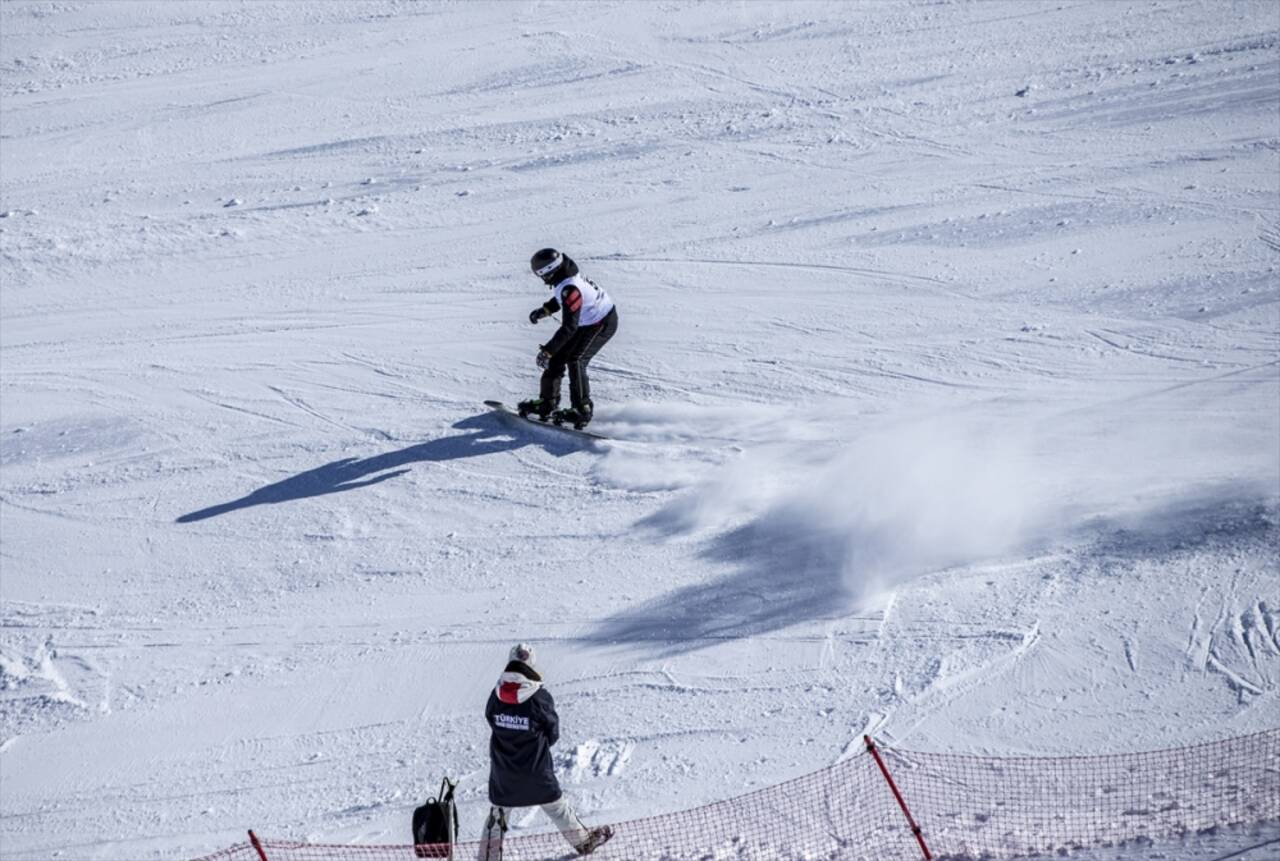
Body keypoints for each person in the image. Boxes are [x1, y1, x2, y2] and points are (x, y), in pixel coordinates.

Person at [480, 643, 612, 858]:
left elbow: (491, 720)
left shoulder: (496, 696)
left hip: (504, 771)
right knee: (558, 808)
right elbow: (553, 732)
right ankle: (583, 842)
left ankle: (487, 858)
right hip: (536, 770)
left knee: (497, 816)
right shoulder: (539, 697)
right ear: (531, 663)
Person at [519, 248, 618, 429]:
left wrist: (548, 350)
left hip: (601, 321)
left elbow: (569, 326)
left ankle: (582, 410)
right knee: (557, 359)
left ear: (548, 273)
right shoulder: (564, 277)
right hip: (588, 320)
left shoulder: (570, 287)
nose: (542, 280)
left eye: (542, 276)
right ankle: (547, 403)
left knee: (577, 360)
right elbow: (562, 299)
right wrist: (546, 310)